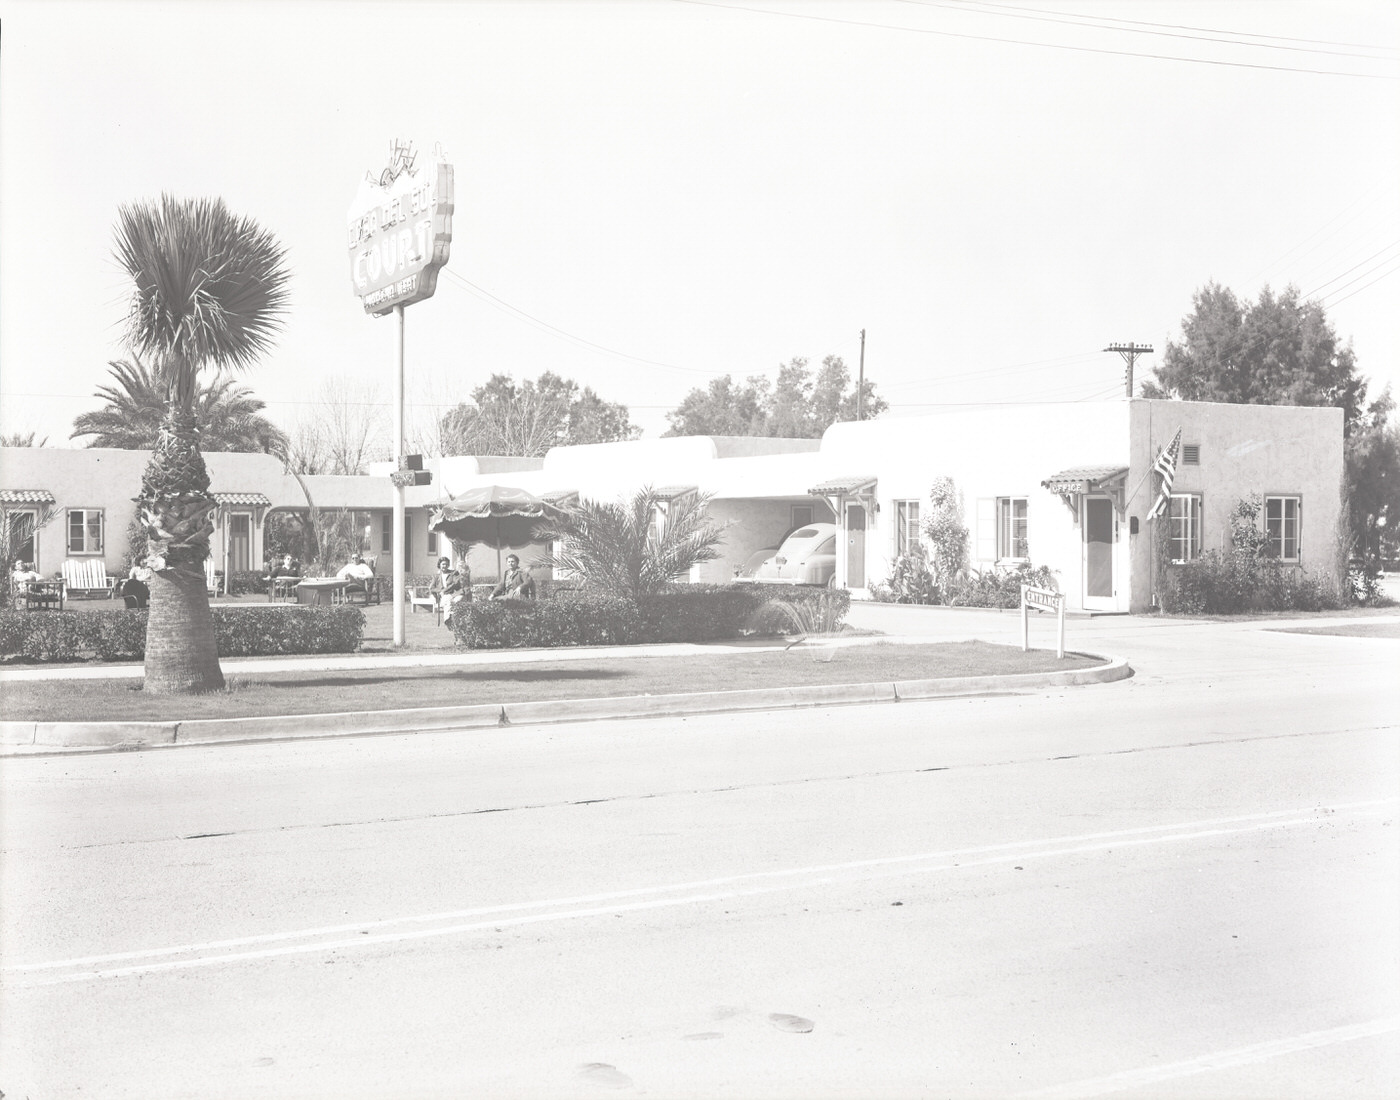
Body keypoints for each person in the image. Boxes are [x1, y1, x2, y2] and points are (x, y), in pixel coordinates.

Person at [429, 556, 470, 625]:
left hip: (454, 594)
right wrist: (440, 591)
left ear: (448, 565)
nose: (445, 566)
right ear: (439, 565)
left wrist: (445, 590)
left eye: (446, 564)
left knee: (455, 601)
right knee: (447, 600)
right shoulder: (436, 576)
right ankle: (448, 620)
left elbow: (455, 584)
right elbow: (431, 588)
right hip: (444, 596)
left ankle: (451, 619)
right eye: (443, 564)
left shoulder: (453, 573)